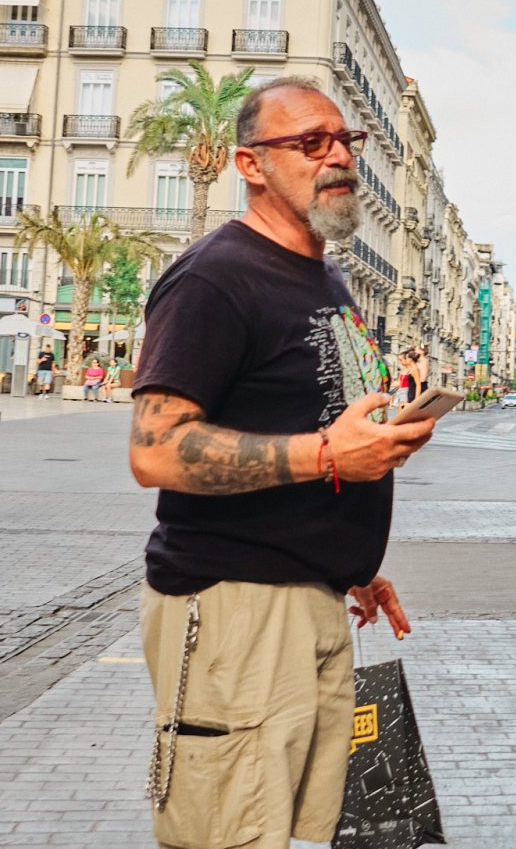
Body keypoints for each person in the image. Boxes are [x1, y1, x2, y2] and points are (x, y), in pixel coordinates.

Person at [127, 77, 436, 849]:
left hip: (315, 599)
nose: (338, 157)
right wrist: (332, 455)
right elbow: (156, 448)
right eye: (309, 144)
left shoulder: (326, 277)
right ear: (250, 164)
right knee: (229, 835)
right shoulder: (214, 276)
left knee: (286, 831)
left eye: (345, 141)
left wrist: (349, 554)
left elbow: (301, 418)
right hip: (235, 607)